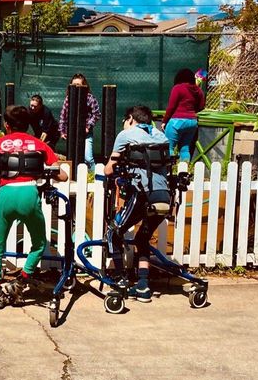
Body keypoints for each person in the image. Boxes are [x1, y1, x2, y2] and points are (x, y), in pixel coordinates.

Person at [0, 104, 66, 309]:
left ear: (6, 125)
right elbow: (62, 174)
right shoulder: (38, 144)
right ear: (28, 124)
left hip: (6, 194)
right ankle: (21, 281)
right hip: (29, 195)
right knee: (39, 243)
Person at [104, 105, 171, 303]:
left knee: (113, 232)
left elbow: (109, 169)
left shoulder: (126, 135)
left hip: (141, 195)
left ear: (131, 119)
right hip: (163, 195)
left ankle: (120, 279)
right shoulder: (162, 137)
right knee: (142, 239)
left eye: (125, 120)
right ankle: (143, 285)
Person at [161, 68, 206, 163]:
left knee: (169, 147)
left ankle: (170, 169)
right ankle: (184, 169)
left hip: (176, 121)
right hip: (192, 122)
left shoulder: (177, 88)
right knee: (185, 149)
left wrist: (164, 121)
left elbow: (171, 107)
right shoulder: (198, 90)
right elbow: (201, 106)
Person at [58, 73, 100, 167]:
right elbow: (63, 116)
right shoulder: (68, 99)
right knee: (72, 157)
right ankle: (75, 174)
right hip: (72, 132)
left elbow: (96, 114)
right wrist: (62, 131)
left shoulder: (90, 98)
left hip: (86, 133)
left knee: (88, 158)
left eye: (78, 85)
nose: (76, 87)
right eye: (74, 85)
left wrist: (88, 126)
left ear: (84, 86)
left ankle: (93, 174)